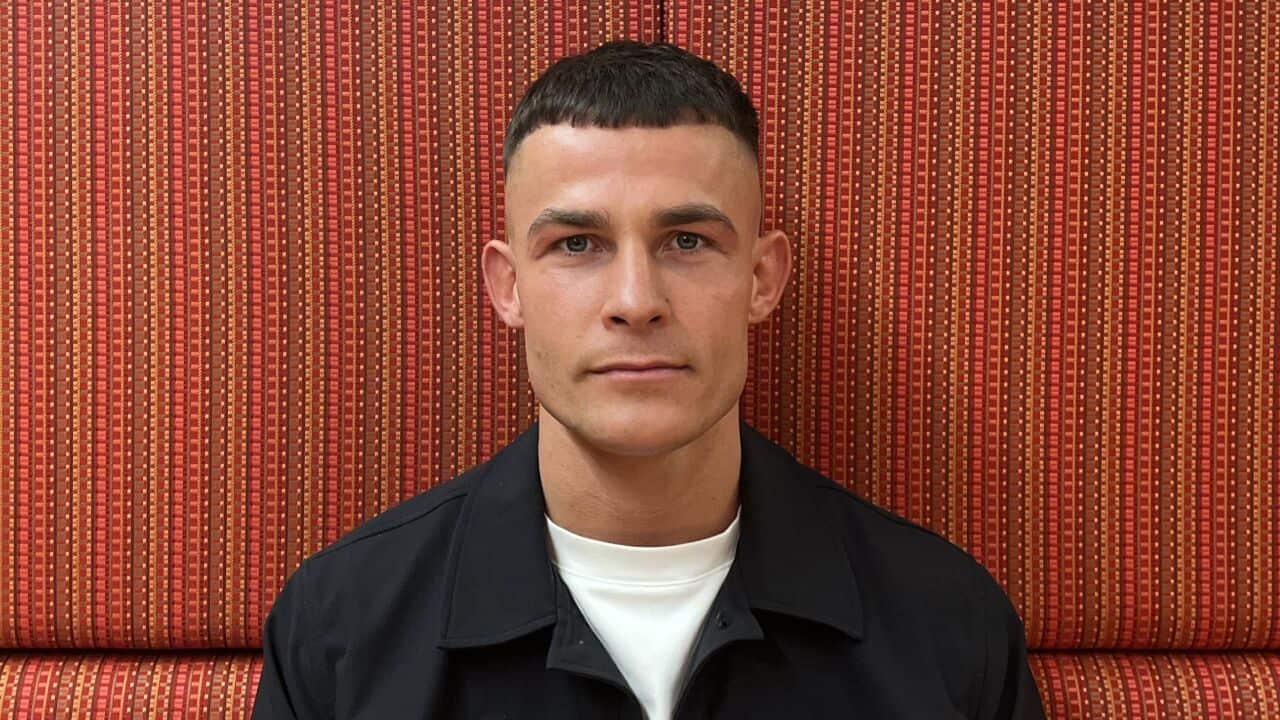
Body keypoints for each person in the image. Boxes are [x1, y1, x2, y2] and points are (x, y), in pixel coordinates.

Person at [250, 39, 1046, 719]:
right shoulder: (342, 630)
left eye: (688, 241)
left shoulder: (948, 630)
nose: (636, 301)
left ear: (762, 279)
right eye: (576, 245)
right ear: (508, 287)